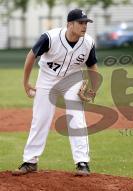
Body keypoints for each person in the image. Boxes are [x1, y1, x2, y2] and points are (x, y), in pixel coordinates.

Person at [12, 8, 98, 176]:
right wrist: (26, 82)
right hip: (47, 79)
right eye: (81, 23)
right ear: (69, 24)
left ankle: (82, 162)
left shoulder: (88, 42)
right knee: (41, 118)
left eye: (86, 23)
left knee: (76, 117)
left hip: (73, 80)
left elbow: (92, 65)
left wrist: (93, 89)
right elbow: (31, 56)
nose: (84, 26)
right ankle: (30, 161)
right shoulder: (50, 38)